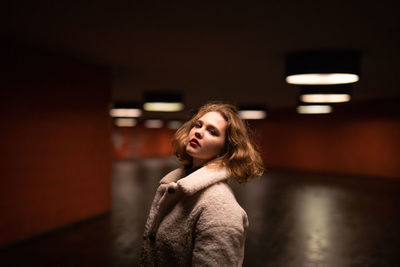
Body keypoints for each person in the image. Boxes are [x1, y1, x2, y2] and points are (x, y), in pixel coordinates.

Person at [140, 102, 264, 266]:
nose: (199, 132)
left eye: (212, 132)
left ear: (226, 149)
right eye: (198, 125)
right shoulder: (176, 185)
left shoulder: (221, 210)